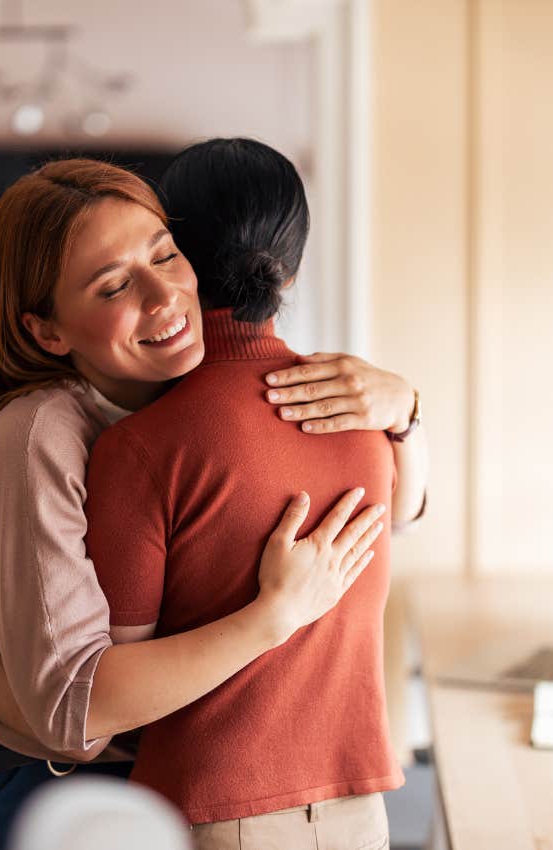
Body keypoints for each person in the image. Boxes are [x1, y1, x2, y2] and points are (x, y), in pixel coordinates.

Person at [0, 157, 391, 850]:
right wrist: (272, 618)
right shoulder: (40, 436)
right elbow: (73, 713)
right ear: (48, 331)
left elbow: (397, 514)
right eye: (113, 286)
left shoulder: (179, 405)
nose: (165, 296)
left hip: (128, 794)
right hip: (18, 794)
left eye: (165, 255)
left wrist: (406, 409)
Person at [82, 137, 430, 847]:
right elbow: (409, 512)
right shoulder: (366, 415)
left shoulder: (141, 448)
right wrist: (407, 412)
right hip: (359, 808)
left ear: (173, 255)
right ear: (291, 269)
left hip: (215, 810)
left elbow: (113, 689)